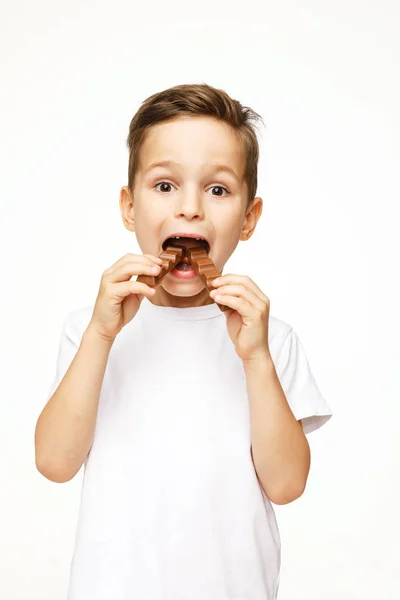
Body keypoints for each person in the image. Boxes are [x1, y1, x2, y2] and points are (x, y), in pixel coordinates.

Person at [35, 83, 333, 600]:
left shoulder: (269, 339)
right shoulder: (92, 331)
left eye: (217, 190)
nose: (191, 208)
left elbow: (287, 486)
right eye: (165, 185)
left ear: (249, 218)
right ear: (129, 208)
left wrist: (257, 358)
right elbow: (55, 463)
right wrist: (101, 335)